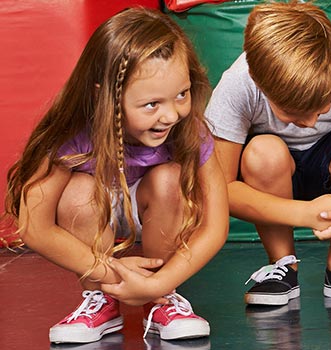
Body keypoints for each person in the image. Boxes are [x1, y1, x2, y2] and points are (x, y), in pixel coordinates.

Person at [4, 7, 229, 344]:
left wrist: (157, 282)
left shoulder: (188, 130)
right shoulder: (71, 133)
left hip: (153, 209)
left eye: (181, 94)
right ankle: (101, 300)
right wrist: (111, 273)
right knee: (79, 191)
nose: (171, 114)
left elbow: (215, 225)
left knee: (169, 178)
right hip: (95, 218)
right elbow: (35, 227)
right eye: (152, 104)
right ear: (105, 96)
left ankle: (162, 300)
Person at [206, 0, 331, 306]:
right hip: (272, 179)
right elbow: (218, 188)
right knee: (263, 152)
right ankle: (282, 266)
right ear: (260, 83)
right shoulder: (238, 85)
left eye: (323, 106)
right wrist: (304, 213)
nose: (311, 121)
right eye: (293, 113)